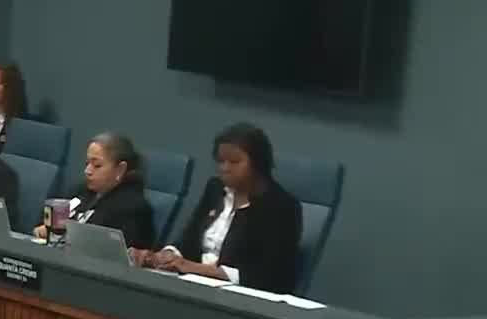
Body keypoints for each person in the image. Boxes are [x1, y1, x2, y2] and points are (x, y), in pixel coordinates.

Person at [133, 123, 300, 293]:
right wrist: (165, 255)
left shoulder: (281, 207)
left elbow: (267, 275)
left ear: (259, 164)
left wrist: (194, 268)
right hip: (193, 284)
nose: (225, 168)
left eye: (234, 162)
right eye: (220, 161)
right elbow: (188, 239)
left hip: (239, 295)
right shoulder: (216, 189)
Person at [35, 131, 154, 248]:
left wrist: (63, 236)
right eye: (87, 163)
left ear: (120, 169)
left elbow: (110, 249)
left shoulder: (133, 208)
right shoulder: (81, 191)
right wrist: (46, 229)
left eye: (97, 165)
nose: (87, 171)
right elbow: (48, 219)